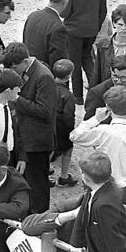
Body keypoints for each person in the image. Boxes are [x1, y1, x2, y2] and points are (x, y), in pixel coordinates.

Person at [2, 42, 56, 213]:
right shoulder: (28, 71)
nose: (13, 71)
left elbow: (45, 110)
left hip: (37, 142)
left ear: (25, 61)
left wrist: (17, 99)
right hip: (26, 139)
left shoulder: (43, 76)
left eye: (15, 67)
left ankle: (39, 220)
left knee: (38, 186)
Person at [71, 85, 126, 207]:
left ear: (108, 107)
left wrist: (95, 119)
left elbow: (75, 136)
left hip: (103, 185)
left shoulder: (103, 131)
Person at [65, 0, 108, 103]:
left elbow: (66, 12)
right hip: (91, 30)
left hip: (74, 31)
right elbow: (103, 10)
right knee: (88, 58)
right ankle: (97, 91)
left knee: (75, 62)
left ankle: (78, 97)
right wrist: (96, 26)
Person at [22, 0, 72, 66]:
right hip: (46, 74)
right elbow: (58, 61)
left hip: (29, 68)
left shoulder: (33, 15)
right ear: (65, 2)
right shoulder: (58, 27)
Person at [84, 56, 126, 125]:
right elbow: (89, 123)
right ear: (111, 70)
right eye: (115, 76)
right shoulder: (96, 93)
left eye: (123, 78)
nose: (118, 81)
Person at [94, 5, 126, 83]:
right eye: (120, 24)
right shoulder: (102, 45)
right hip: (107, 89)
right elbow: (97, 73)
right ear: (114, 24)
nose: (124, 28)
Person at [50, 59, 77, 187]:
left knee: (49, 150)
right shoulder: (68, 95)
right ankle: (64, 176)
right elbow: (68, 116)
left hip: (48, 124)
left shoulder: (47, 86)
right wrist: (71, 131)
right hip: (62, 127)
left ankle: (45, 174)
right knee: (67, 149)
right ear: (69, 76)